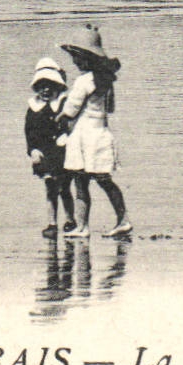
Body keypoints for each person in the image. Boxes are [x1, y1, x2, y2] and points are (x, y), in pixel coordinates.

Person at [57, 25, 132, 239]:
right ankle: (122, 219)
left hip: (83, 136)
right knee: (104, 180)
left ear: (86, 58)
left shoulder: (83, 81)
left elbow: (70, 110)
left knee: (80, 183)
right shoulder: (106, 81)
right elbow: (110, 109)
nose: (74, 61)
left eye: (76, 57)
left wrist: (58, 119)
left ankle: (83, 227)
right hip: (101, 134)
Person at [25, 57, 76, 238]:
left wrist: (66, 136)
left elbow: (70, 125)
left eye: (50, 86)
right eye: (41, 86)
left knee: (64, 187)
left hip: (62, 152)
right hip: (44, 153)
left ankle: (70, 220)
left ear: (58, 87)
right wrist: (33, 150)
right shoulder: (34, 107)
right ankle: (52, 223)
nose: (46, 90)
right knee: (49, 187)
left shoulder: (62, 104)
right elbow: (29, 132)